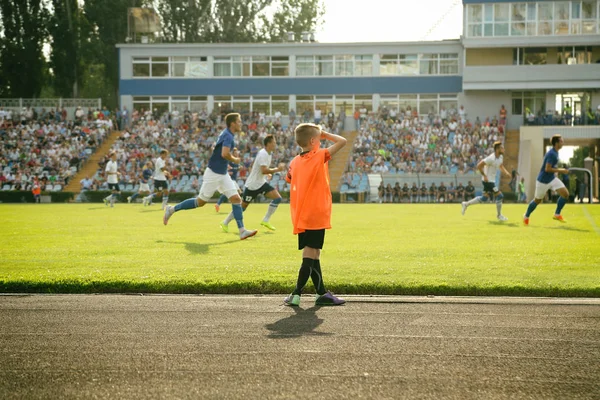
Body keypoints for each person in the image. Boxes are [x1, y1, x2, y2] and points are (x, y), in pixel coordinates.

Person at [162, 113, 257, 240]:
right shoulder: (228, 135)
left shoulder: (226, 134)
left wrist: (227, 164)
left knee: (236, 199)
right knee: (200, 202)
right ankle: (171, 209)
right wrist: (234, 160)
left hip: (222, 174)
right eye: (239, 121)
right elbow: (224, 154)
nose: (241, 124)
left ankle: (242, 231)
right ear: (233, 123)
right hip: (213, 174)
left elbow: (219, 153)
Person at [283, 123, 347, 307]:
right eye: (318, 139)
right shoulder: (319, 155)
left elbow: (289, 179)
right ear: (313, 141)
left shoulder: (294, 162)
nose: (321, 141)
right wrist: (326, 134)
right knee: (310, 253)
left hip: (302, 214)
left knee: (314, 253)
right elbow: (342, 141)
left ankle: (321, 293)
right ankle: (296, 293)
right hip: (316, 212)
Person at [220, 135, 286, 232]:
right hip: (252, 185)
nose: (275, 144)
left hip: (261, 183)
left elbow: (262, 169)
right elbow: (263, 170)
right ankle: (225, 222)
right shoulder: (263, 154)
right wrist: (276, 169)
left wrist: (268, 173)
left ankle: (265, 220)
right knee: (243, 207)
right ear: (268, 144)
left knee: (277, 198)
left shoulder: (269, 153)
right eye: (274, 142)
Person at [523, 135, 570, 225]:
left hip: (552, 179)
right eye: (561, 141)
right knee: (537, 201)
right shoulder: (552, 154)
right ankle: (526, 216)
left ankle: (557, 214)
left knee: (565, 194)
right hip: (543, 181)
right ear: (556, 143)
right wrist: (561, 170)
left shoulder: (556, 152)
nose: (563, 142)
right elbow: (547, 169)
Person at [461, 141, 511, 221]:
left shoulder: (500, 157)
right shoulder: (491, 158)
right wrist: (484, 175)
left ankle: (466, 204)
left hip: (491, 181)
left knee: (484, 198)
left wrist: (506, 172)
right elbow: (479, 165)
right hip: (488, 181)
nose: (504, 149)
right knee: (500, 196)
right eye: (502, 148)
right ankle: (499, 215)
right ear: (497, 149)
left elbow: (500, 166)